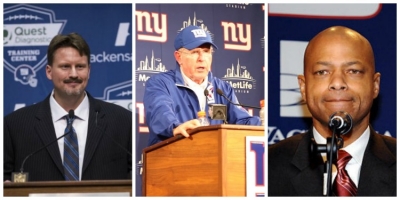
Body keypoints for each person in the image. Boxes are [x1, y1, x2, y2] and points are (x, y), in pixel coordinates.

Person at [268, 26, 396, 196]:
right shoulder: (267, 167)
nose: (337, 82)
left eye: (353, 71)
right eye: (322, 72)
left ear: (375, 85)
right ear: (303, 87)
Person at [4, 33, 132, 182]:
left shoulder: (122, 121)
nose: (73, 74)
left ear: (89, 71)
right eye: (65, 66)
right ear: (49, 71)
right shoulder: (15, 125)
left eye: (80, 66)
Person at [143, 25, 261, 146]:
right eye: (194, 52)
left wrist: (261, 123)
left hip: (214, 157)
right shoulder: (160, 83)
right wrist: (176, 127)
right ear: (179, 57)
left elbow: (242, 121)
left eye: (206, 51)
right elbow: (159, 111)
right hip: (174, 156)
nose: (202, 58)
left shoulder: (222, 88)